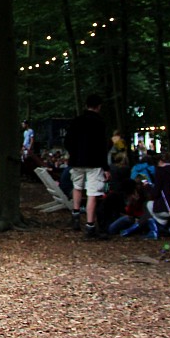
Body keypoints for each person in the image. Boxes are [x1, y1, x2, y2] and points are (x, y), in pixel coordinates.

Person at [65, 93, 109, 238]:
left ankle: (75, 215)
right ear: (99, 106)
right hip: (94, 162)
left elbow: (68, 141)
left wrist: (73, 154)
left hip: (76, 160)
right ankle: (90, 225)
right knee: (92, 193)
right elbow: (103, 146)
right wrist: (106, 167)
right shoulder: (100, 122)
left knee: (77, 187)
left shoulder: (76, 121)